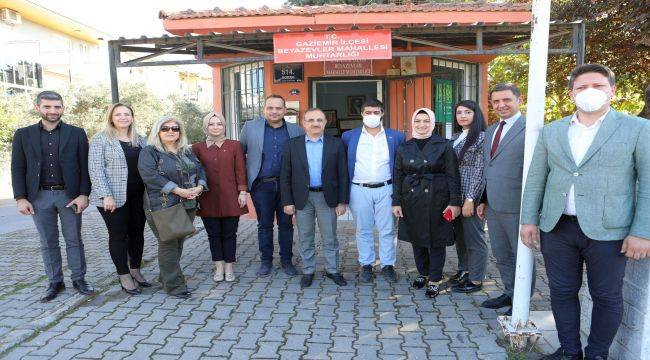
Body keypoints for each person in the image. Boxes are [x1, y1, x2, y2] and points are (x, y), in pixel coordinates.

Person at [520, 64, 650, 360]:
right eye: (581, 87)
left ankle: (597, 354)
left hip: (610, 230)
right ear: (571, 94)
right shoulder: (553, 131)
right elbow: (537, 178)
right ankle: (569, 351)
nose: (589, 92)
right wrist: (529, 218)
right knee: (562, 292)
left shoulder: (638, 129)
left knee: (606, 296)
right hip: (558, 228)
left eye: (598, 85)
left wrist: (643, 231)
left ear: (612, 91)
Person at [11, 90, 94, 301]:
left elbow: (85, 166)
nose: (53, 111)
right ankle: (55, 282)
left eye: (57, 107)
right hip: (38, 197)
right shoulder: (23, 134)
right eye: (47, 106)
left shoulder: (76, 133)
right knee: (48, 241)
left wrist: (84, 194)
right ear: (38, 107)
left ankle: (79, 279)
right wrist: (21, 197)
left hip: (70, 196)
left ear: (63, 108)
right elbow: (18, 168)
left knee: (74, 239)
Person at [476, 83, 533, 315]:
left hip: (517, 205)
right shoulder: (491, 130)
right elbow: (488, 168)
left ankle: (522, 301)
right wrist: (483, 199)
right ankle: (510, 292)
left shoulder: (531, 128)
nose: (501, 105)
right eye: (496, 101)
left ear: (519, 99)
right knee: (502, 254)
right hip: (493, 205)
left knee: (522, 256)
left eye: (506, 100)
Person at [392, 108, 461, 297]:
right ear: (412, 123)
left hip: (438, 197)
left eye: (426, 121)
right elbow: (397, 175)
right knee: (417, 237)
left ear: (432, 123)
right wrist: (396, 201)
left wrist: (455, 202)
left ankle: (435, 278)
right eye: (417, 121)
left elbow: (453, 175)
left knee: (436, 239)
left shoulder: (445, 145)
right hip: (411, 198)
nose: (421, 125)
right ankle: (422, 272)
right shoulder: (404, 147)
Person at [138, 116, 207, 299]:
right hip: (163, 205)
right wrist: (178, 190)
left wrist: (200, 186)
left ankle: (165, 276)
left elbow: (200, 169)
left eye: (175, 128)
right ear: (158, 131)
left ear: (180, 132)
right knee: (168, 243)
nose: (170, 131)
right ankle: (175, 286)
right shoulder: (150, 152)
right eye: (165, 128)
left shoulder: (186, 151)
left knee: (177, 242)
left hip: (188, 203)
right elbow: (150, 176)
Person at [280, 108, 349, 288]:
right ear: (303, 123)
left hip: (328, 198)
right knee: (305, 236)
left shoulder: (336, 144)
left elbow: (343, 174)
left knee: (330, 237)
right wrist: (287, 201)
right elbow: (285, 175)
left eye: (319, 120)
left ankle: (332, 270)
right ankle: (308, 270)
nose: (315, 123)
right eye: (311, 120)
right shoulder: (291, 145)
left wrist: (342, 201)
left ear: (325, 122)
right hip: (303, 198)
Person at [239, 95, 305, 277]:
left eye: (278, 108)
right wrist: (243, 186)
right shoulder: (250, 128)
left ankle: (286, 261)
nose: (274, 111)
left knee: (286, 225)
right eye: (270, 108)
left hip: (287, 187)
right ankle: (266, 261)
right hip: (262, 186)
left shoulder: (296, 130)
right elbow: (239, 157)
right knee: (264, 225)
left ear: (285, 110)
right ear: (264, 109)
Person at [342, 99, 405, 283]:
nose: (372, 116)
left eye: (375, 112)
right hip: (359, 189)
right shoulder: (349, 136)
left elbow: (400, 167)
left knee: (387, 229)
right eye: (368, 112)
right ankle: (366, 264)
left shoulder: (396, 137)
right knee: (363, 229)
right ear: (361, 114)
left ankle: (387, 265)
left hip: (386, 188)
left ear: (382, 113)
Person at [89, 103, 149, 295]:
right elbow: (96, 169)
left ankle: (135, 270)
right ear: (111, 118)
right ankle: (123, 275)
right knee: (118, 236)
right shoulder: (101, 139)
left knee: (137, 234)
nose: (123, 117)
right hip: (112, 197)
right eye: (118, 114)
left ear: (132, 117)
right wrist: (106, 195)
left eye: (127, 114)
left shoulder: (141, 140)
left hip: (139, 196)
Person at [192, 112, 248, 283]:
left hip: (231, 196)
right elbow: (194, 173)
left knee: (230, 234)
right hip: (207, 197)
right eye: (211, 124)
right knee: (213, 234)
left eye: (219, 124)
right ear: (206, 127)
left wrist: (243, 191)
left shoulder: (235, 145)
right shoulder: (197, 148)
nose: (215, 127)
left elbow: (240, 169)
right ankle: (218, 266)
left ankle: (229, 266)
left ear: (224, 126)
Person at [450, 100, 488, 293]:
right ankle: (464, 270)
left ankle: (476, 279)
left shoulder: (482, 138)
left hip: (470, 196)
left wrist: (471, 199)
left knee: (475, 239)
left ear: (476, 114)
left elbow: (479, 170)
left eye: (467, 112)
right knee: (461, 238)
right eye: (459, 112)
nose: (462, 116)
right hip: (456, 196)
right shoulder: (457, 136)